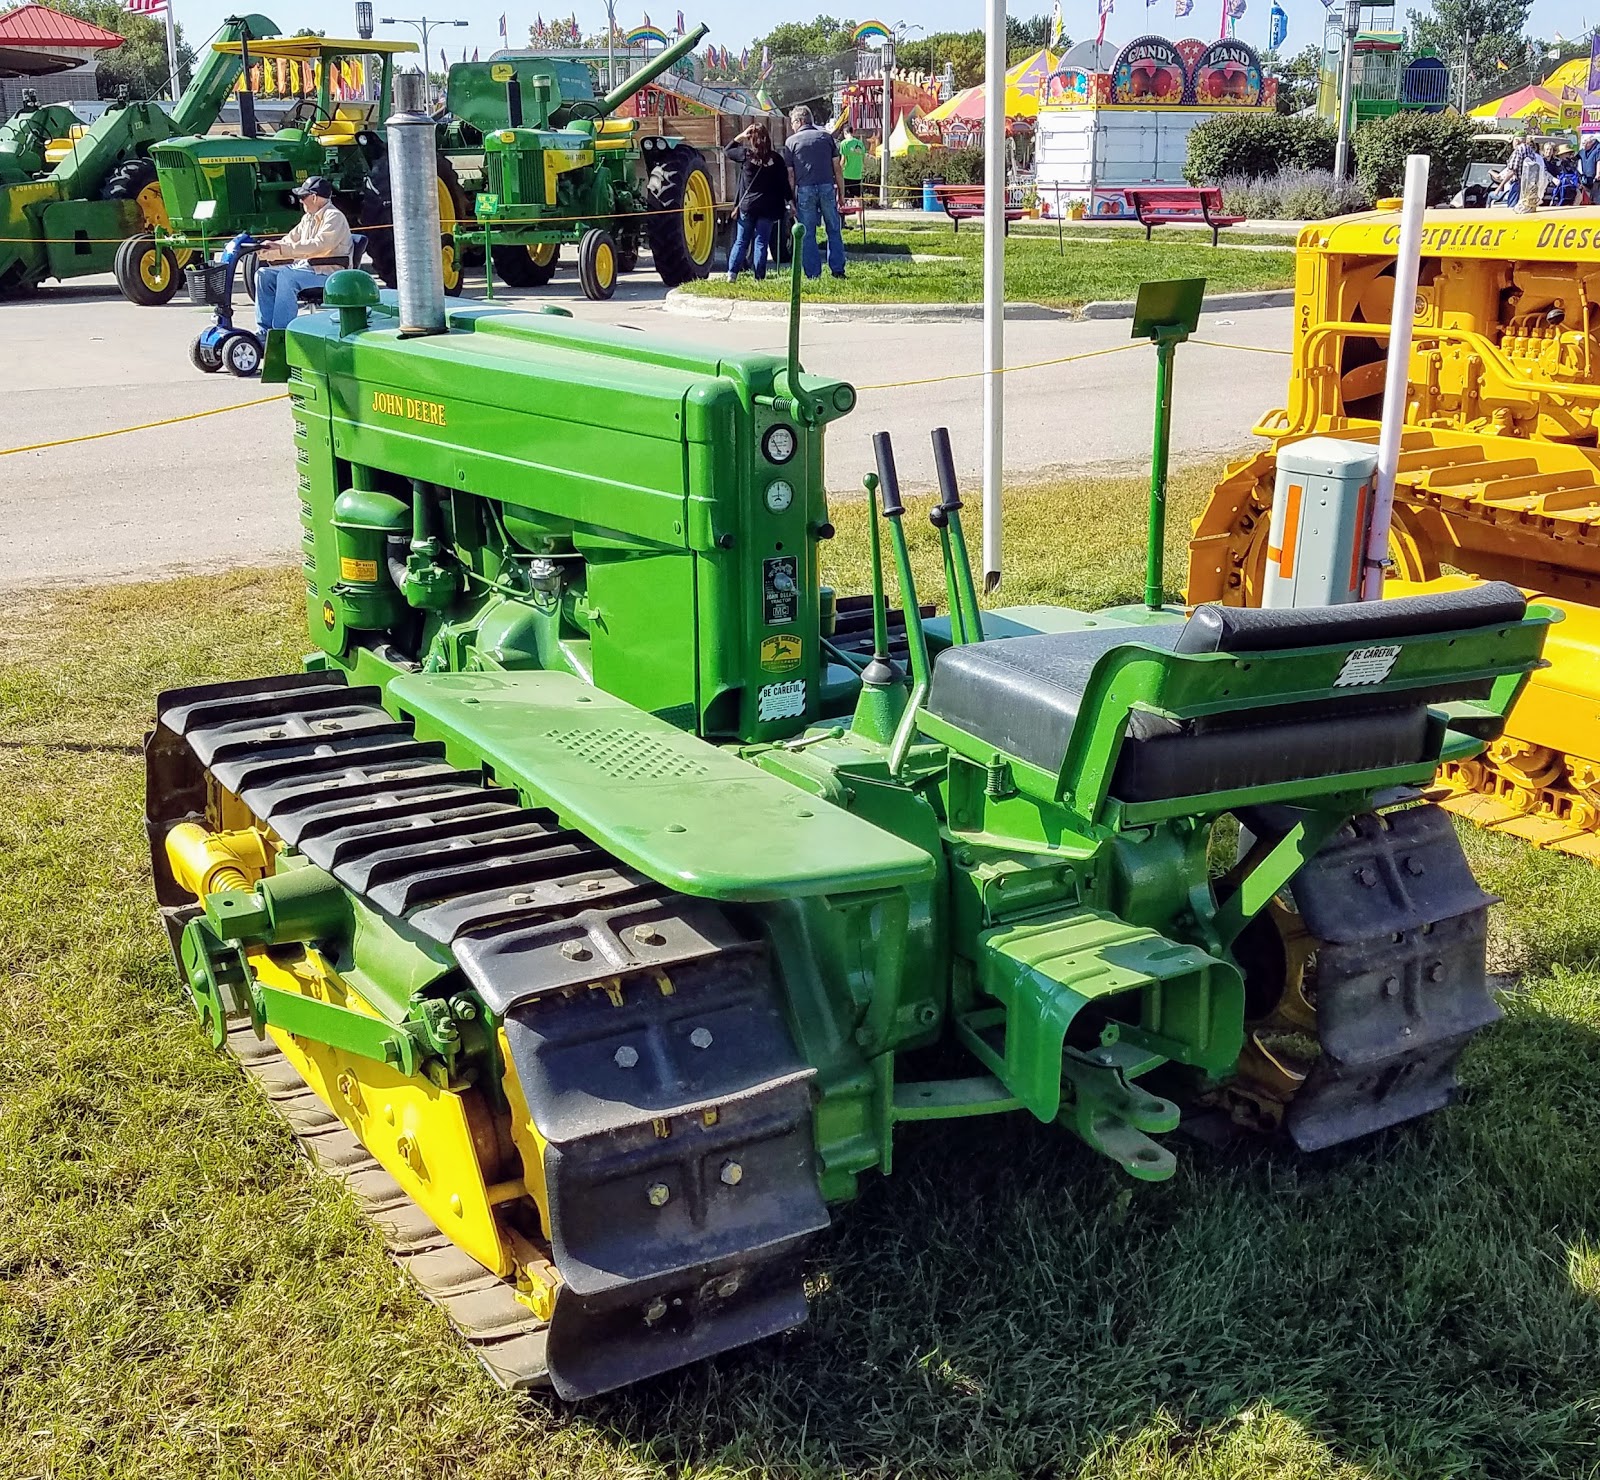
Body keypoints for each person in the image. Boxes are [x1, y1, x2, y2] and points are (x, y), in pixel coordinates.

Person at [253, 176, 353, 334]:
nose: (300, 201)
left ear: (314, 197)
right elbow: (289, 240)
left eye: (302, 197)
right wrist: (266, 250)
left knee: (287, 277)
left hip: (329, 273)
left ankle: (282, 333)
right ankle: (264, 332)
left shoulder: (334, 217)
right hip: (307, 268)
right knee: (263, 275)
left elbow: (319, 245)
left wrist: (281, 249)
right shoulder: (308, 218)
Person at [781, 105, 847, 280]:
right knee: (833, 229)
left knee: (808, 233)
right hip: (827, 187)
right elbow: (837, 169)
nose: (792, 126)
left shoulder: (791, 142)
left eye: (793, 122)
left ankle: (812, 273)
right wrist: (841, 193)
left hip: (805, 190)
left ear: (800, 121)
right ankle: (838, 269)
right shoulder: (826, 137)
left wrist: (792, 199)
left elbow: (791, 174)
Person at [724, 123, 791, 282]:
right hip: (768, 207)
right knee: (761, 242)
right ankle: (759, 277)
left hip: (748, 206)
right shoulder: (776, 159)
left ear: (751, 139)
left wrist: (741, 135)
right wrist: (790, 202)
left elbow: (727, 150)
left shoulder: (746, 156)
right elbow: (784, 184)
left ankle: (732, 274)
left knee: (741, 241)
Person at [839, 123, 867, 201]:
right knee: (858, 198)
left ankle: (843, 212)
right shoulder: (860, 143)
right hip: (857, 174)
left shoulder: (844, 143)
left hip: (846, 174)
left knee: (843, 196)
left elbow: (843, 160)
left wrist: (838, 171)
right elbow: (863, 159)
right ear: (852, 132)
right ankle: (859, 213)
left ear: (845, 133)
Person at [1581, 132, 1600, 202]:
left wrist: (1598, 173)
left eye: (1585, 142)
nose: (1583, 144)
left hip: (1596, 179)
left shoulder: (1598, 148)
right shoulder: (1583, 150)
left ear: (1591, 142)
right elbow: (1575, 158)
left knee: (1597, 198)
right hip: (1586, 179)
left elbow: (1599, 161)